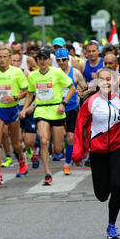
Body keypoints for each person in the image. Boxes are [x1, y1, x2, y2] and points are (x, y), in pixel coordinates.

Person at [72, 67, 120, 239]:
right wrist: (78, 152)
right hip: (97, 153)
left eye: (109, 79)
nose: (106, 82)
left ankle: (112, 225)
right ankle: (105, 191)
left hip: (117, 150)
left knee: (116, 185)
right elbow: (79, 128)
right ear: (97, 82)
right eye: (102, 79)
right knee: (101, 195)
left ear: (115, 82)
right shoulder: (90, 103)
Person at [20, 49, 75, 185]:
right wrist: (25, 108)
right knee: (44, 141)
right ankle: (47, 173)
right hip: (41, 111)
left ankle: (58, 150)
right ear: (37, 61)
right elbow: (30, 93)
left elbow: (72, 87)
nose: (42, 61)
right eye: (40, 59)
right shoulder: (33, 76)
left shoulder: (56, 72)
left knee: (57, 148)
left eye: (44, 58)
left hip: (57, 110)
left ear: (49, 60)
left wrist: (64, 103)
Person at [0, 47, 29, 185]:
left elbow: (26, 90)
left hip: (13, 109)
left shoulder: (17, 72)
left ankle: (22, 161)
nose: (2, 59)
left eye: (5, 57)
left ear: (9, 58)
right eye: (0, 57)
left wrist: (14, 97)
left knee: (16, 144)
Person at [55, 48, 87, 175]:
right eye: (59, 60)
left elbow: (84, 89)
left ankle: (67, 164)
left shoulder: (76, 73)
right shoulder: (54, 73)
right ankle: (67, 153)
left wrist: (81, 92)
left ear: (68, 59)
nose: (61, 62)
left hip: (72, 108)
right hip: (56, 109)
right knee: (59, 140)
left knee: (70, 137)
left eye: (64, 60)